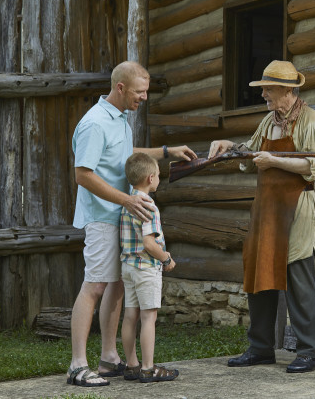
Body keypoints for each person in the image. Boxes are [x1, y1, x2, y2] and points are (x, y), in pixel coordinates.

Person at [67, 61, 195, 387]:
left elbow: (127, 152)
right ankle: (77, 365)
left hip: (120, 218)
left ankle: (109, 358)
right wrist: (126, 199)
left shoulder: (121, 119)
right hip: (101, 216)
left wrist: (166, 151)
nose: (145, 98)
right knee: (95, 285)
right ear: (121, 88)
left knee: (117, 286)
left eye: (146, 91)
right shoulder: (94, 123)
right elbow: (83, 174)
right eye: (140, 92)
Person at [209, 60, 315, 373]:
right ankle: (261, 348)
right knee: (259, 275)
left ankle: (310, 353)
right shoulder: (268, 122)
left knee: (299, 280)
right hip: (266, 208)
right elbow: (251, 157)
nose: (263, 93)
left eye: (268, 89)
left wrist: (275, 161)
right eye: (262, 88)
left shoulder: (311, 120)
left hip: (297, 209)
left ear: (288, 90)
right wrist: (230, 148)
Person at [119, 152, 179, 383]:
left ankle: (131, 365)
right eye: (159, 176)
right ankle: (147, 368)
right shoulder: (148, 205)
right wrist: (166, 259)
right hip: (145, 267)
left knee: (130, 316)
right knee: (148, 318)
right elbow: (149, 243)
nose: (160, 180)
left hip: (129, 267)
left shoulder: (127, 202)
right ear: (150, 178)